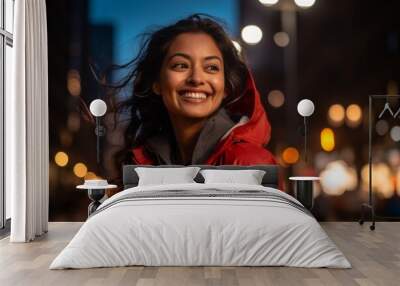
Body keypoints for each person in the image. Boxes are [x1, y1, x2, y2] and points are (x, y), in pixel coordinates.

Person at [103, 14, 278, 193]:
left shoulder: (248, 163)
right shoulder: (141, 161)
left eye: (211, 67)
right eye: (181, 65)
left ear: (226, 87)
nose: (196, 78)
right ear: (156, 83)